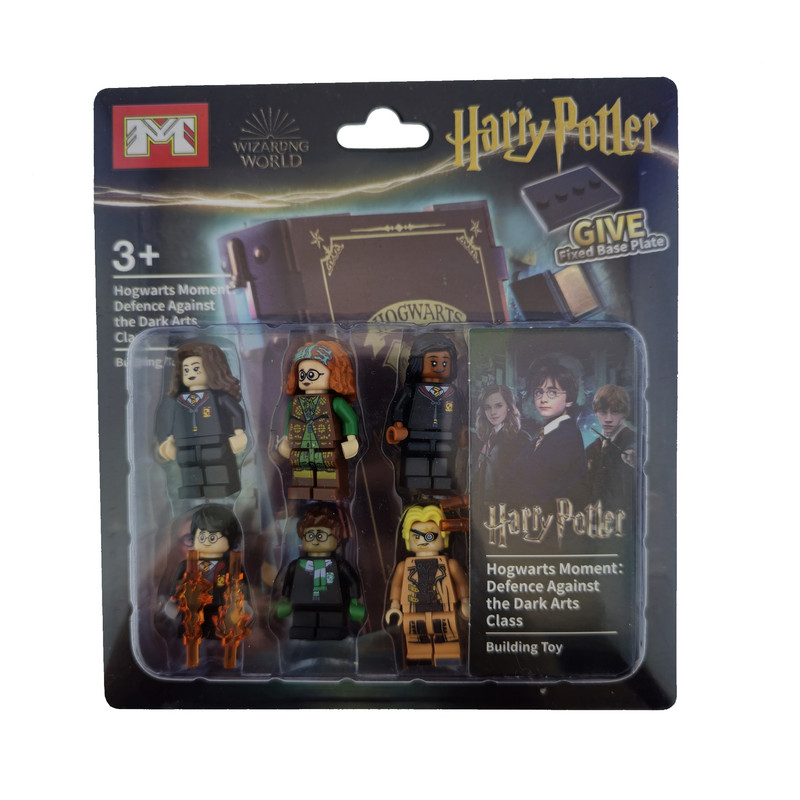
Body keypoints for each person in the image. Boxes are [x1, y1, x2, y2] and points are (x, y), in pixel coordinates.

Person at [157, 342, 248, 499]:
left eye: (196, 368)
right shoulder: (180, 401)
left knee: (215, 462)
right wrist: (170, 440)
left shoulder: (219, 398)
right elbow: (175, 421)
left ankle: (220, 486)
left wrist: (239, 433)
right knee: (188, 464)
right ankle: (192, 488)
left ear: (211, 369)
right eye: (186, 370)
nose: (190, 373)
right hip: (186, 443)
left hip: (215, 441)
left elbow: (236, 412)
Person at [507, 360, 586, 512]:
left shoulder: (567, 436)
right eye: (539, 392)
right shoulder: (544, 436)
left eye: (552, 392)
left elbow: (542, 488)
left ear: (569, 400)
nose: (543, 399)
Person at [473, 384, 531, 506]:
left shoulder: (521, 438)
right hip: (483, 507)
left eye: (498, 406)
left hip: (507, 508)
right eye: (488, 407)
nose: (493, 412)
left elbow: (525, 483)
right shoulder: (486, 437)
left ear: (509, 407)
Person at [585, 384, 636, 511]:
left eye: (615, 412)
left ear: (624, 414)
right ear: (596, 412)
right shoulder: (591, 449)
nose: (608, 419)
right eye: (603, 412)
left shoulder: (633, 441)